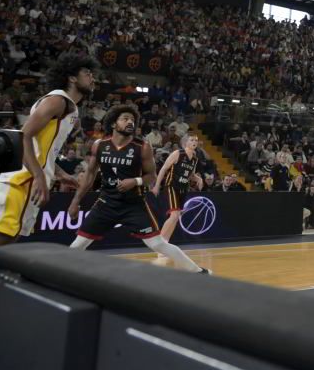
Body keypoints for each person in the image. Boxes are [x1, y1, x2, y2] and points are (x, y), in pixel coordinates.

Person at [0, 54, 94, 270]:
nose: (92, 78)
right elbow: (23, 136)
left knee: (4, 244)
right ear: (71, 78)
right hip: (22, 179)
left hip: (29, 179)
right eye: (87, 73)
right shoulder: (57, 100)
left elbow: (42, 149)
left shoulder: (70, 108)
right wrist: (39, 176)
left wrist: (61, 174)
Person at [66, 104, 209, 274]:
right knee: (79, 243)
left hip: (134, 204)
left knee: (158, 244)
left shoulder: (142, 146)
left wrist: (135, 181)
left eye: (132, 119)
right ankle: (57, 274)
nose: (130, 122)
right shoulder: (100, 145)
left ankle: (198, 272)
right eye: (125, 119)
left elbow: (152, 176)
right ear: (113, 124)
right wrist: (75, 201)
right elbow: (89, 175)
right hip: (106, 203)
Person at [151, 134, 203, 249]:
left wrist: (198, 178)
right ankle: (159, 244)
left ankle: (165, 243)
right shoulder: (178, 153)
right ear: (185, 142)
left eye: (196, 140)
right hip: (172, 186)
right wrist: (156, 185)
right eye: (192, 139)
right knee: (174, 214)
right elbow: (164, 168)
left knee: (176, 216)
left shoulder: (195, 158)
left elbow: (191, 175)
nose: (195, 141)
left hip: (183, 188)